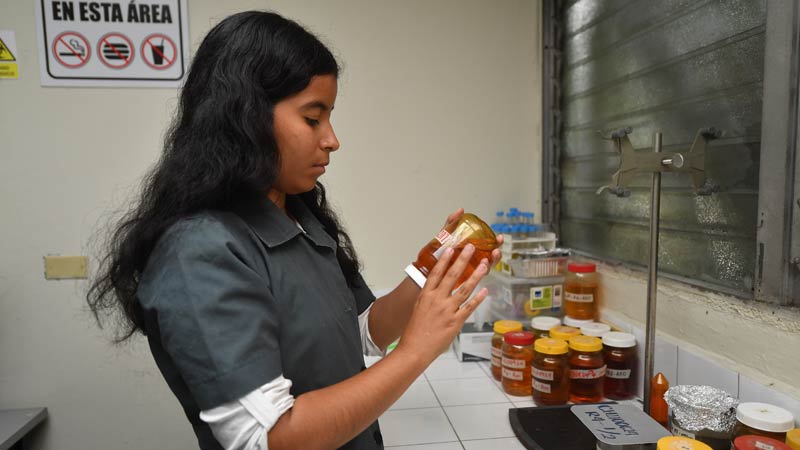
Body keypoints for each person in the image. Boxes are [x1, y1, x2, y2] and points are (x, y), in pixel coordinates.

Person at [87, 10, 501, 450]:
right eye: (312, 118)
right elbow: (266, 437)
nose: (332, 139)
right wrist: (416, 354)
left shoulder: (299, 219)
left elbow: (357, 334)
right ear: (245, 116)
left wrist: (431, 269)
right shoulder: (199, 252)